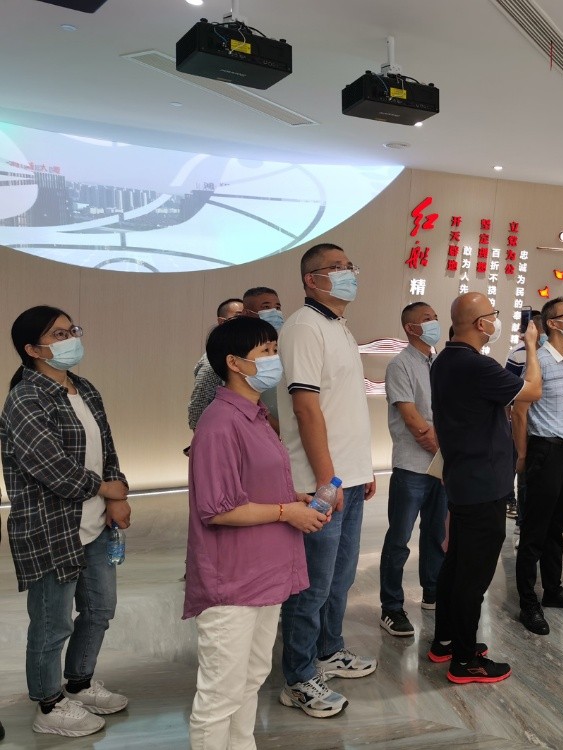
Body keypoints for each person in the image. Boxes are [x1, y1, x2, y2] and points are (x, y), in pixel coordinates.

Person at [185, 316, 327, 747]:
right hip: (233, 581)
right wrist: (287, 512)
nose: (274, 359)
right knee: (220, 694)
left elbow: (254, 484)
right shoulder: (219, 422)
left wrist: (295, 498)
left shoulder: (255, 416)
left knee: (250, 679)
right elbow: (218, 509)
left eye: (274, 349)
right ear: (234, 363)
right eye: (265, 351)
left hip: (265, 573)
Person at [0, 306, 130, 737]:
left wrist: (117, 492)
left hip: (95, 524)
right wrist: (107, 489)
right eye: (58, 334)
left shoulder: (83, 388)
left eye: (71, 329)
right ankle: (49, 704)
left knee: (99, 609)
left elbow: (107, 447)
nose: (71, 338)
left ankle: (79, 683)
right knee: (52, 622)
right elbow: (51, 468)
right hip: (49, 528)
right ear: (33, 349)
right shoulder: (26, 398)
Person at [276, 243, 377, 717]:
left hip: (347, 478)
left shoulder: (338, 325)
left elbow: (342, 407)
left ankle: (328, 650)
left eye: (349, 265)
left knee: (339, 578)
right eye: (335, 267)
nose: (347, 273)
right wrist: (326, 480)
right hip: (322, 483)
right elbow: (306, 408)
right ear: (311, 279)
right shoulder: (303, 326)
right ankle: (298, 677)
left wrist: (361, 470)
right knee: (311, 586)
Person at [427, 293, 542, 684]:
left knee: (456, 566)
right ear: (480, 324)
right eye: (493, 315)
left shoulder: (445, 360)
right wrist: (531, 347)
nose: (495, 321)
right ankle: (464, 660)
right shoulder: (477, 365)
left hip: (464, 479)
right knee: (473, 578)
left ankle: (445, 641)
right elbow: (532, 391)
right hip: (483, 485)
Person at [512, 298, 563, 636]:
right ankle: (528, 603)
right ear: (554, 324)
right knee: (534, 532)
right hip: (545, 450)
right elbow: (519, 410)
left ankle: (553, 590)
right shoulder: (541, 359)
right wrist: (523, 455)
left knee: (556, 526)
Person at [378, 302, 447, 636]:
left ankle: (432, 592)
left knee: (436, 534)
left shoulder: (440, 363)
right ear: (410, 327)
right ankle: (391, 607)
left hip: (440, 466)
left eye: (435, 318)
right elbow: (413, 419)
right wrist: (443, 452)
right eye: (426, 319)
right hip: (412, 466)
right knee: (399, 539)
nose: (434, 323)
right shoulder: (400, 365)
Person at [504, 309, 543, 522]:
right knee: (517, 464)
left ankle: (525, 515)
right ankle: (512, 503)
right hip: (519, 420)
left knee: (529, 471)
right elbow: (508, 394)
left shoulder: (549, 356)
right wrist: (507, 421)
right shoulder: (517, 354)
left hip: (541, 425)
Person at [187, 298, 245, 432]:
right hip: (219, 432)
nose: (244, 322)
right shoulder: (212, 362)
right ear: (221, 321)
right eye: (238, 317)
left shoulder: (245, 355)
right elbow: (199, 405)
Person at [241, 286, 284, 433]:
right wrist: (277, 429)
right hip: (256, 428)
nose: (274, 312)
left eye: (277, 307)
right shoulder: (240, 350)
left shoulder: (283, 344)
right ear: (246, 313)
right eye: (266, 307)